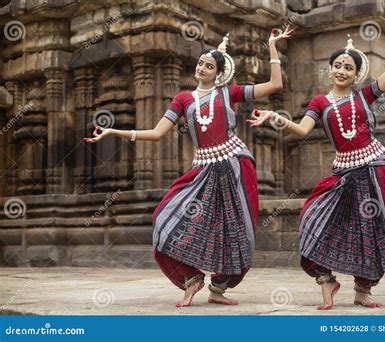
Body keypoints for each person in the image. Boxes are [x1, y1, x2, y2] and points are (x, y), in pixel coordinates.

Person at [83, 27, 293, 307]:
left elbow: (274, 84)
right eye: (200, 63)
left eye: (209, 65)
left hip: (235, 166)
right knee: (163, 219)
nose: (202, 68)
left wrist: (272, 47)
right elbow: (157, 132)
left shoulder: (229, 93)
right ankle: (191, 278)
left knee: (236, 230)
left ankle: (218, 288)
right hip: (203, 170)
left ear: (219, 73)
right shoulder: (183, 99)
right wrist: (115, 133)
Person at [247, 19, 385, 310]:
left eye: (348, 67)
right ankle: (326, 280)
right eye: (338, 65)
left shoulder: (365, 95)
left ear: (356, 74)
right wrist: (274, 117)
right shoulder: (320, 102)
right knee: (312, 217)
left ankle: (362, 290)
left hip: (375, 168)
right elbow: (303, 130)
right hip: (343, 172)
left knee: (370, 229)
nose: (342, 71)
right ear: (329, 69)